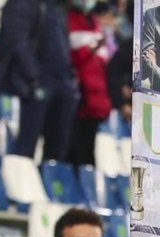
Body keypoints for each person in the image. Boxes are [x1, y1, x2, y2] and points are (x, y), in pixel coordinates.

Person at [0, 0, 80, 163]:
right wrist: (34, 77)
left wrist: (70, 78)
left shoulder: (57, 8)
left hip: (61, 81)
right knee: (26, 146)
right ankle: (21, 183)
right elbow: (17, 41)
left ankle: (47, 182)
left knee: (58, 150)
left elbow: (63, 46)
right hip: (34, 82)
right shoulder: (21, 4)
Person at [67, 1, 113, 166]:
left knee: (88, 150)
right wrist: (91, 49)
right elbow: (72, 59)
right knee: (75, 148)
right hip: (80, 95)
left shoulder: (95, 23)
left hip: (96, 100)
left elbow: (103, 64)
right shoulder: (70, 19)